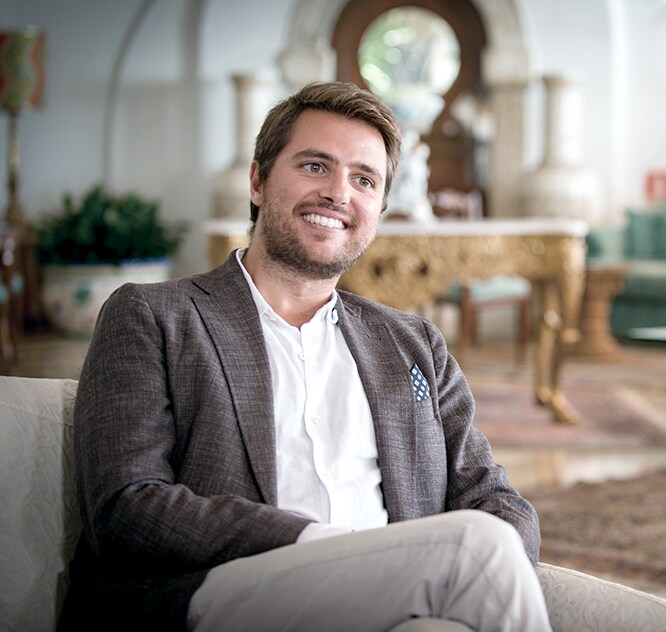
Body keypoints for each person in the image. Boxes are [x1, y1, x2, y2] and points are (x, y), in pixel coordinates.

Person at [58, 81, 552, 632]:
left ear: (379, 210)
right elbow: (126, 505)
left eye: (364, 180)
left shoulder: (415, 345)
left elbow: (494, 498)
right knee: (477, 547)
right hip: (210, 596)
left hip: (395, 605)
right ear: (258, 181)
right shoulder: (154, 316)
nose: (339, 194)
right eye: (315, 166)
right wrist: (323, 546)